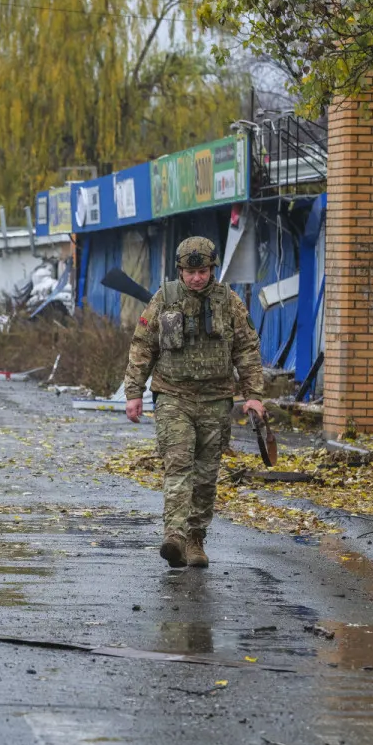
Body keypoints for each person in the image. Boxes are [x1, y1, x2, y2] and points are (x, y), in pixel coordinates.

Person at [123, 236, 266, 568]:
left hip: (216, 400)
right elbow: (142, 346)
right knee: (178, 464)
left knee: (205, 474)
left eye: (203, 272)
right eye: (191, 272)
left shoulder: (229, 302)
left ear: (212, 269)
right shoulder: (165, 299)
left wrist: (254, 396)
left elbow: (247, 350)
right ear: (180, 271)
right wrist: (134, 393)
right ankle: (174, 536)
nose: (197, 278)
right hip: (173, 396)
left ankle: (195, 538)